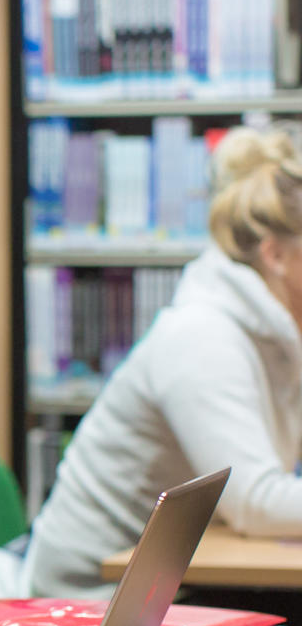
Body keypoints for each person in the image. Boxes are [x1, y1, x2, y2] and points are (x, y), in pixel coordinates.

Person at [16, 123, 302, 600]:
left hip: (172, 579)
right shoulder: (202, 335)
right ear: (276, 255)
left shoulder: (272, 334)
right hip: (92, 597)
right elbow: (256, 501)